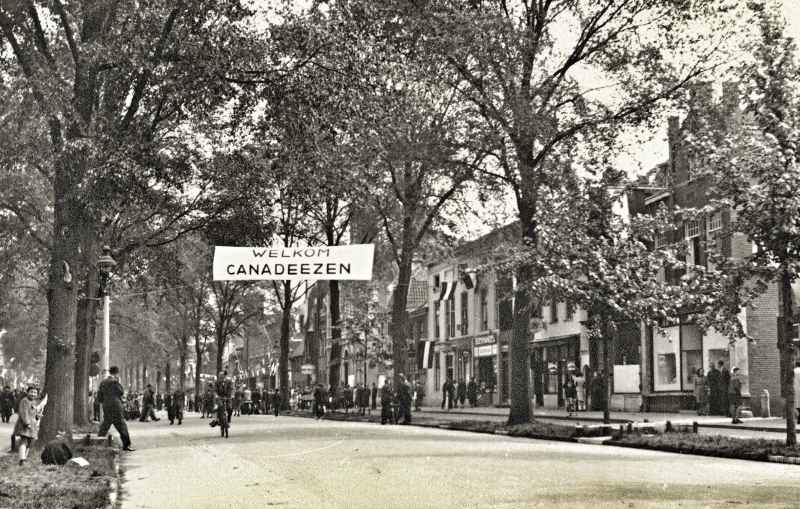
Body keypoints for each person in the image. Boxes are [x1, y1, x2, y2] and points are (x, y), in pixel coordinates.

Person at [98, 366, 134, 451]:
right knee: (121, 425)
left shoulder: (103, 382)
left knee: (105, 424)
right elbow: (121, 392)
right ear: (116, 373)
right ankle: (126, 445)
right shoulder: (115, 382)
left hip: (106, 405)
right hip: (116, 406)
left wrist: (104, 401)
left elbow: (99, 396)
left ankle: (98, 442)